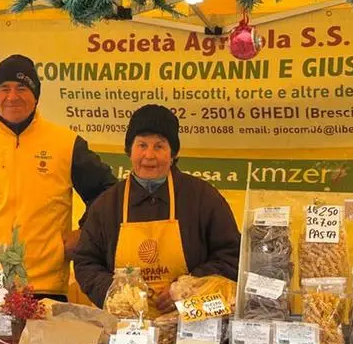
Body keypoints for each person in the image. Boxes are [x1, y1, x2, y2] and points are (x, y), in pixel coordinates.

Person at [0, 54, 116, 300]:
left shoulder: (66, 144)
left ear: (36, 95)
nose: (12, 97)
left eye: (22, 88)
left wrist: (84, 233)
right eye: (4, 88)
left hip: (42, 285)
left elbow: (108, 193)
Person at [73, 104, 240, 314]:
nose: (149, 155)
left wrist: (188, 289)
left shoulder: (202, 197)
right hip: (127, 329)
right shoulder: (107, 204)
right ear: (129, 151)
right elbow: (85, 262)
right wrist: (116, 293)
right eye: (142, 145)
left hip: (190, 324)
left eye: (159, 146)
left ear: (173, 153)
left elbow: (231, 254)